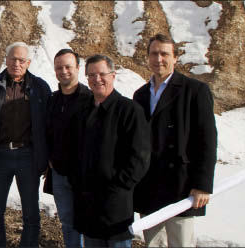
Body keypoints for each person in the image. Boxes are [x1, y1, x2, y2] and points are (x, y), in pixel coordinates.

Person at [133, 34, 218, 247]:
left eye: (164, 54)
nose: (158, 59)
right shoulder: (140, 95)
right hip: (149, 187)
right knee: (153, 243)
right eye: (154, 53)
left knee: (181, 243)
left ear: (175, 58)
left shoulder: (195, 91)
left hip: (181, 186)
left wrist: (202, 185)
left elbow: (206, 140)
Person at [68, 54, 150, 247]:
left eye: (102, 74)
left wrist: (118, 188)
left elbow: (140, 157)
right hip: (87, 205)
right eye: (91, 75)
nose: (97, 79)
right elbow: (74, 151)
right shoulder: (82, 111)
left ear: (113, 75)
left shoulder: (129, 110)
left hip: (115, 207)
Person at [0, 42, 51, 247]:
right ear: (5, 59)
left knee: (31, 214)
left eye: (21, 60)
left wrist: (45, 156)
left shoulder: (40, 87)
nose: (17, 63)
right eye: (13, 59)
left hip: (28, 156)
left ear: (28, 62)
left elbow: (49, 124)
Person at [45, 48, 91, 247]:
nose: (63, 71)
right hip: (59, 174)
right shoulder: (53, 100)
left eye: (68, 67)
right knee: (66, 222)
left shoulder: (89, 99)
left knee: (87, 221)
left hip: (83, 176)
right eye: (59, 67)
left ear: (78, 68)